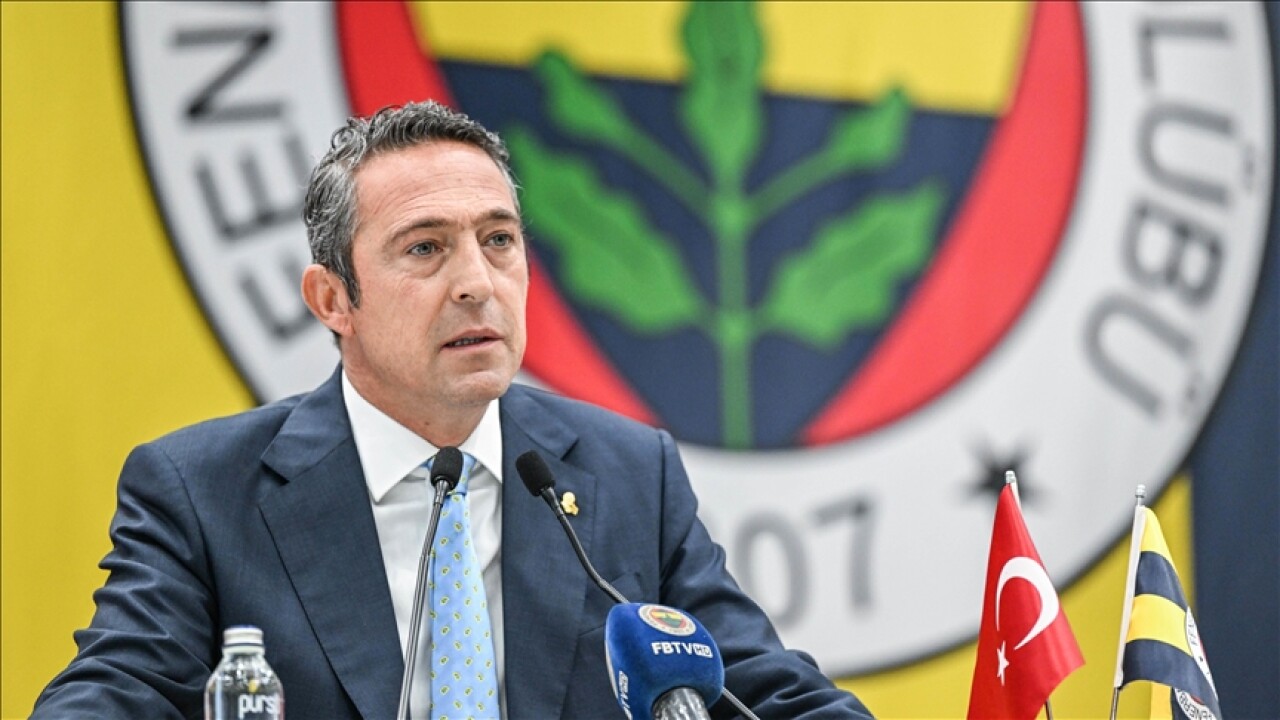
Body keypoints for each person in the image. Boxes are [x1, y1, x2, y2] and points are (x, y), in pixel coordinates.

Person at [33, 101, 874, 719]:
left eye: (498, 240)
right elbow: (119, 688)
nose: (477, 282)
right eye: (426, 247)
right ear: (333, 299)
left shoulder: (627, 476)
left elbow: (767, 692)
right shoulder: (203, 492)